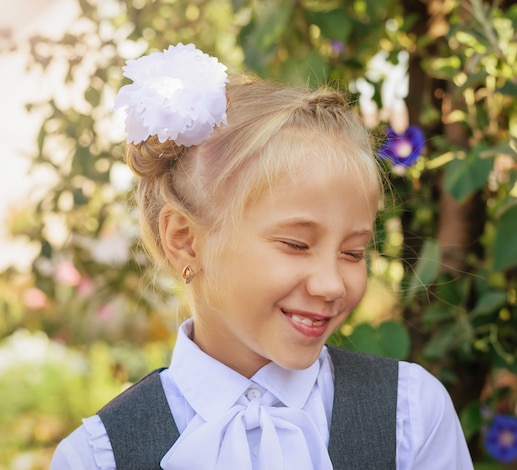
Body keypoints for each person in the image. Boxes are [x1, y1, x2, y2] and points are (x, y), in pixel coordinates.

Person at [50, 43, 473, 469]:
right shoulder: (96, 457)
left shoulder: (411, 417)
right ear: (185, 240)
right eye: (296, 244)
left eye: (353, 252)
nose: (331, 284)